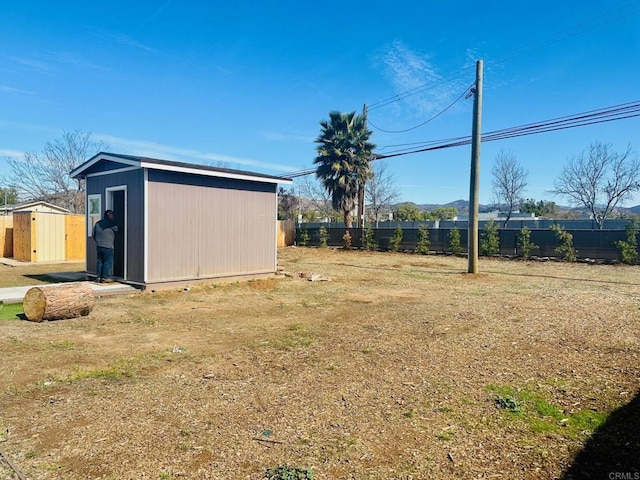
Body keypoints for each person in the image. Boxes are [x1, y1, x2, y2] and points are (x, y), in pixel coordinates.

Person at [92, 209, 118, 283]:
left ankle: (98, 277)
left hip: (99, 246)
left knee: (100, 261)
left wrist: (98, 241)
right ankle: (104, 277)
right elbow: (117, 230)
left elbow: (93, 234)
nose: (113, 216)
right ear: (108, 215)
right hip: (108, 246)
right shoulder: (111, 223)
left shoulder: (97, 223)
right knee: (107, 262)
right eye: (112, 215)